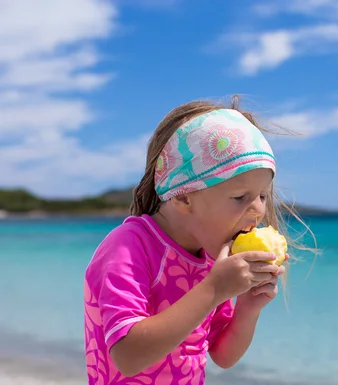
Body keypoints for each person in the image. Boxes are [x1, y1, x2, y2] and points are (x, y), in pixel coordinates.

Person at [83, 96, 311, 384]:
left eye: (262, 196)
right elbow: (128, 357)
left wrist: (248, 308)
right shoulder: (129, 245)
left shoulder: (212, 258)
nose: (258, 211)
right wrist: (214, 290)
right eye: (240, 197)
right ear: (184, 196)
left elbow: (222, 356)